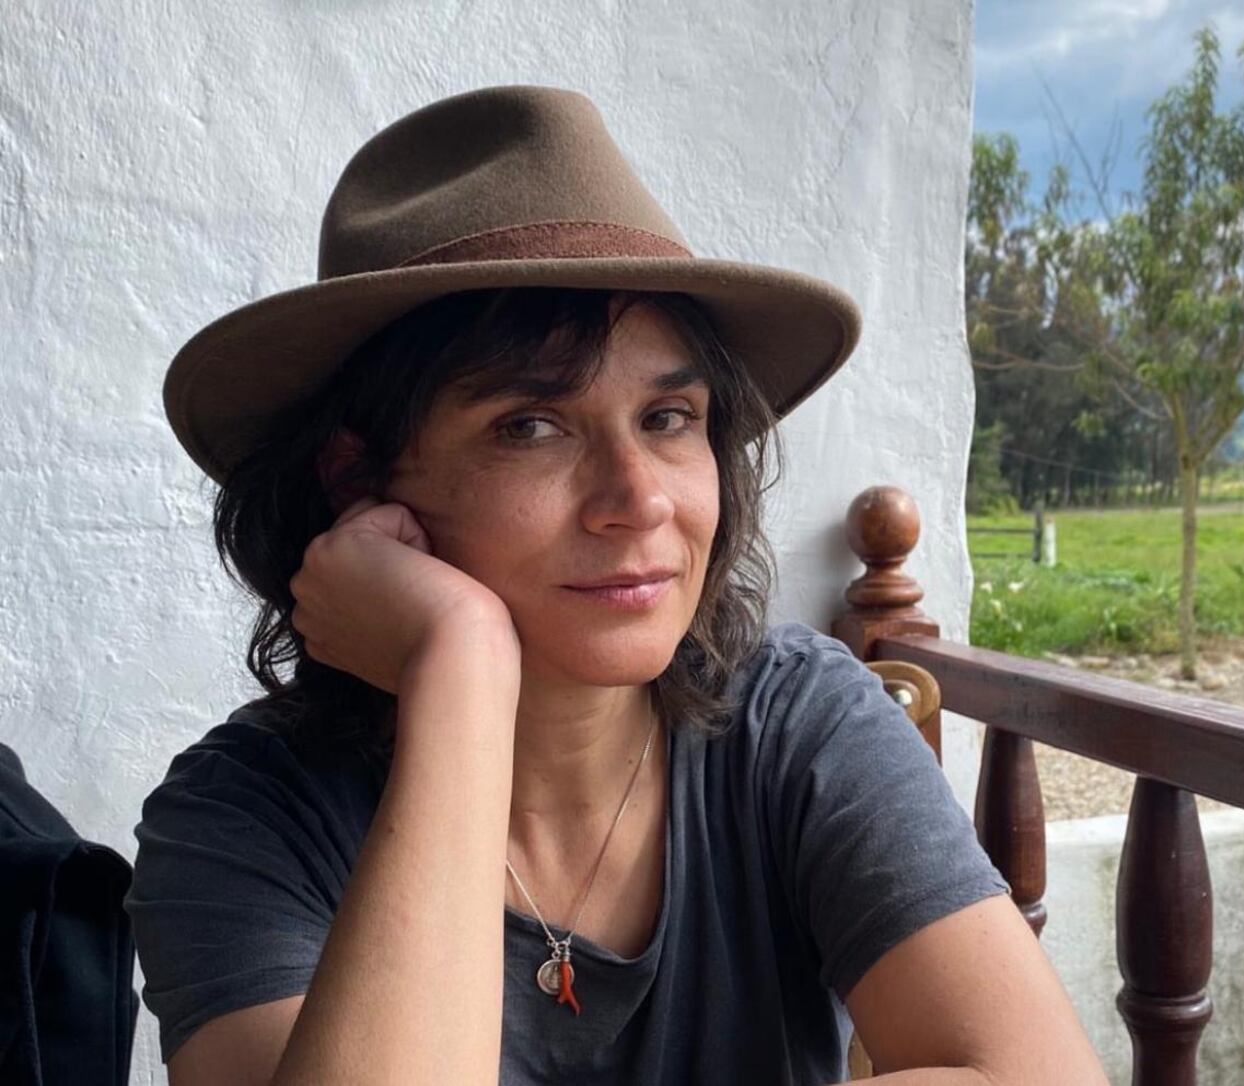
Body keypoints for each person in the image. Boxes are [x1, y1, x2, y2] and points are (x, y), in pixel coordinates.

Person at [125, 86, 1106, 1085]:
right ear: (358, 478)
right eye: (530, 426)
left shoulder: (793, 723)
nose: (639, 501)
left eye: (668, 418)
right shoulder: (245, 820)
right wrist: (460, 662)